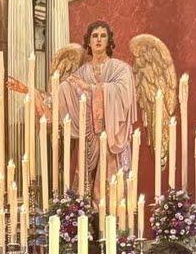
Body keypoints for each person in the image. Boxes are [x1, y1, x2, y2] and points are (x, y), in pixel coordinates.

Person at [57, 21, 136, 194]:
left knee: (111, 194)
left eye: (103, 36)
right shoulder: (81, 73)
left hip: (113, 139)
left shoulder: (121, 69)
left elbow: (125, 97)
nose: (98, 40)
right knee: (85, 190)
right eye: (94, 36)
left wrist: (90, 88)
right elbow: (61, 97)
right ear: (88, 41)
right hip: (90, 140)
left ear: (109, 41)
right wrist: (31, 92)